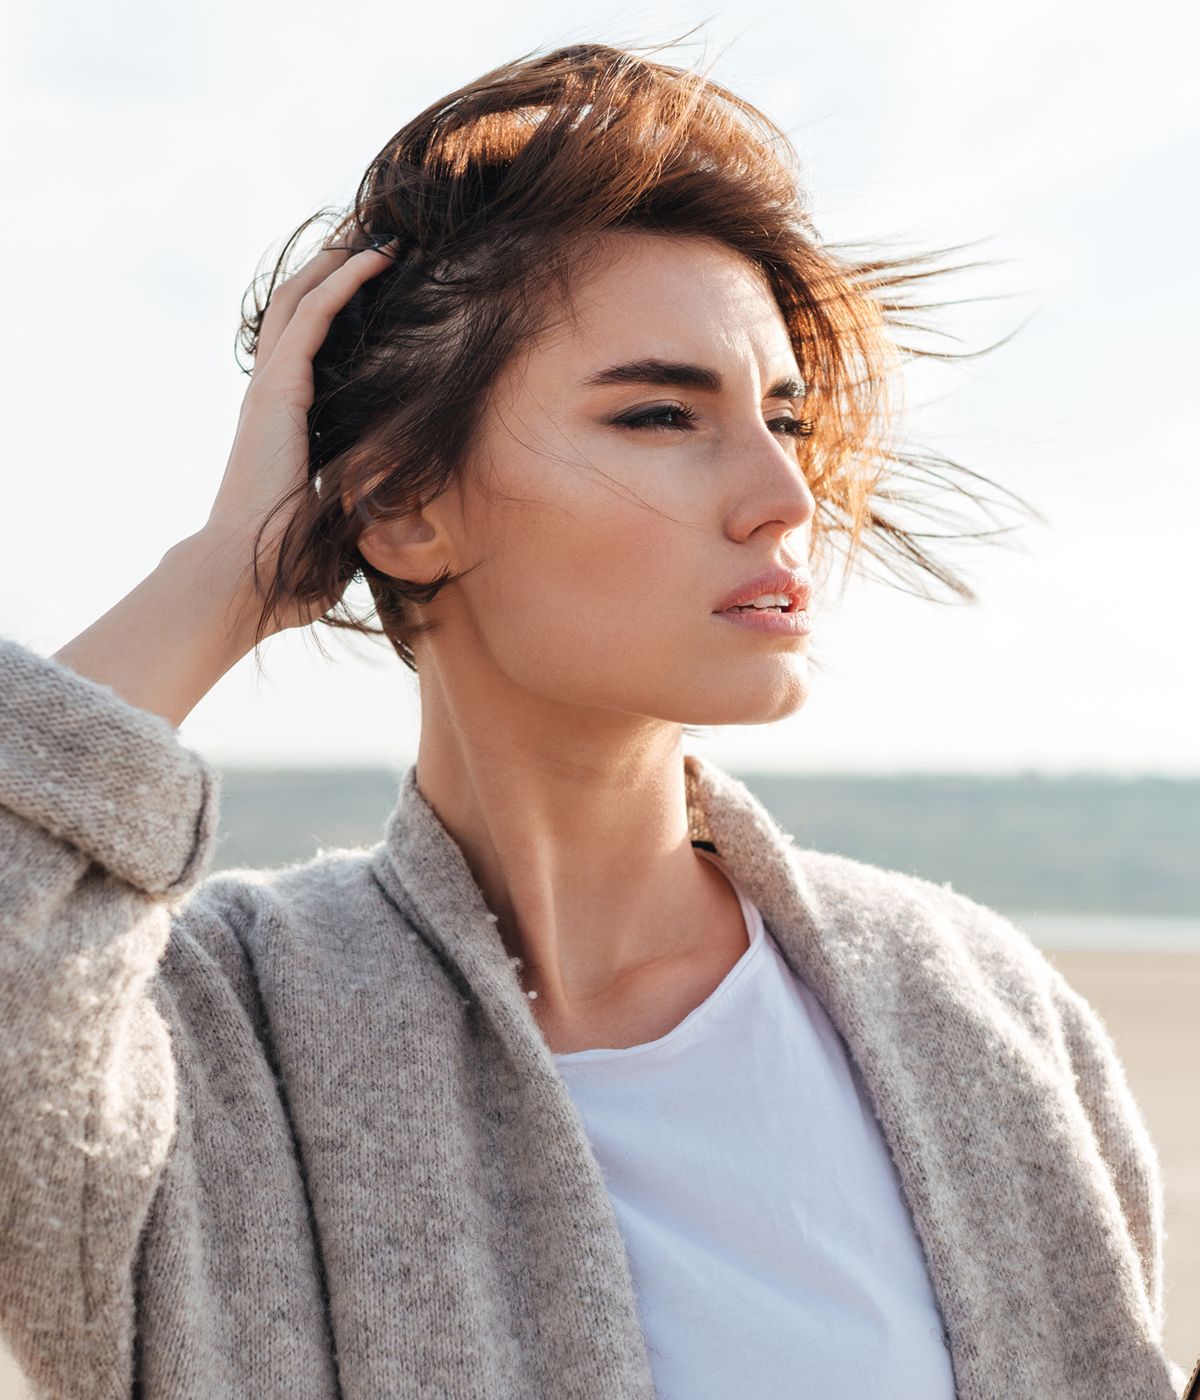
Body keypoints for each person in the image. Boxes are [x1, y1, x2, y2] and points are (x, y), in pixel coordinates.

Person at [0, 38, 1188, 1400]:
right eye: (661, 416)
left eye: (785, 422)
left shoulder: (971, 1009)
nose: (783, 498)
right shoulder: (221, 1038)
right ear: (403, 506)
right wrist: (220, 574)